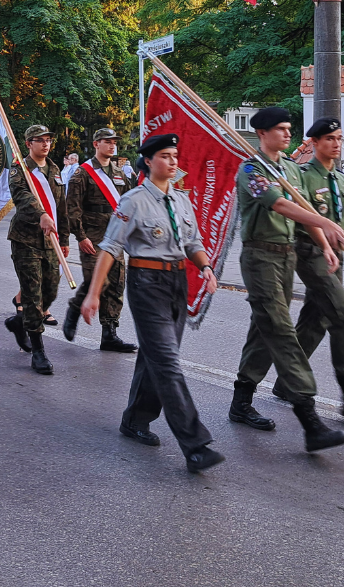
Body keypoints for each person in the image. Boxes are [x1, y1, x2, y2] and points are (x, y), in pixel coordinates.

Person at [80, 134, 224, 473]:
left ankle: (135, 420)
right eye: (165, 156)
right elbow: (110, 248)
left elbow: (193, 242)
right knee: (169, 364)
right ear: (148, 161)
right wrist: (94, 293)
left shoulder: (181, 201)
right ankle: (196, 444)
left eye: (176, 155)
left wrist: (205, 267)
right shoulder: (132, 201)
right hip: (146, 284)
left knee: (155, 358)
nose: (173, 162)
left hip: (176, 282)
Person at [229, 107, 344, 453]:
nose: (287, 134)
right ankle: (309, 419)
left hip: (286, 255)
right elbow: (281, 205)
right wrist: (326, 224)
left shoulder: (288, 169)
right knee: (281, 331)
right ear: (263, 133)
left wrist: (324, 243)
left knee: (263, 327)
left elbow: (304, 214)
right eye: (280, 129)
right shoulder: (252, 168)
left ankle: (241, 401)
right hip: (260, 256)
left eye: (288, 129)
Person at [265, 118, 344, 421]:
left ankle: (286, 383)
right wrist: (327, 245)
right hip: (312, 252)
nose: (336, 143)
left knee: (316, 319)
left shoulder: (342, 180)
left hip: (337, 255)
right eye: (329, 138)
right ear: (315, 143)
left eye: (339, 138)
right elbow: (306, 217)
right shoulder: (303, 176)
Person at [63, 128, 137, 351]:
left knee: (116, 284)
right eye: (107, 142)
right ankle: (75, 308)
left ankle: (109, 333)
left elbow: (128, 201)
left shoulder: (119, 172)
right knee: (98, 280)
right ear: (96, 144)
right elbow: (72, 208)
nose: (112, 146)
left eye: (114, 142)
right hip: (93, 236)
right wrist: (81, 236)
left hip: (115, 235)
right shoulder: (82, 173)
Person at [7, 125, 70, 374]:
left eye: (48, 140)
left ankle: (19, 323)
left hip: (51, 240)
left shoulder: (54, 169)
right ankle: (39, 351)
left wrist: (64, 237)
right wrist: (41, 214)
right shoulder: (19, 169)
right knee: (32, 295)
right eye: (40, 140)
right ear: (28, 143)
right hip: (26, 240)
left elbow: (61, 206)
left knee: (50, 291)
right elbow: (22, 197)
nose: (45, 144)